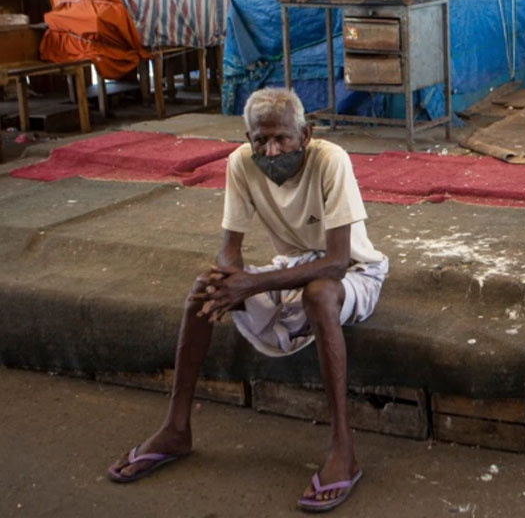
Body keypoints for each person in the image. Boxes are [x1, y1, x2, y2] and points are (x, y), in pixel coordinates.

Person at [107, 87, 388, 512]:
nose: (271, 151)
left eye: (282, 139)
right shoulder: (241, 162)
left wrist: (252, 286)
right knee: (204, 290)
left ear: (305, 134)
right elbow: (230, 247)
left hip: (353, 271)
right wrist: (229, 278)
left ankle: (343, 449)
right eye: (260, 140)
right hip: (290, 266)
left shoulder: (331, 160)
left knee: (317, 293)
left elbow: (334, 262)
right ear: (248, 138)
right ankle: (176, 428)